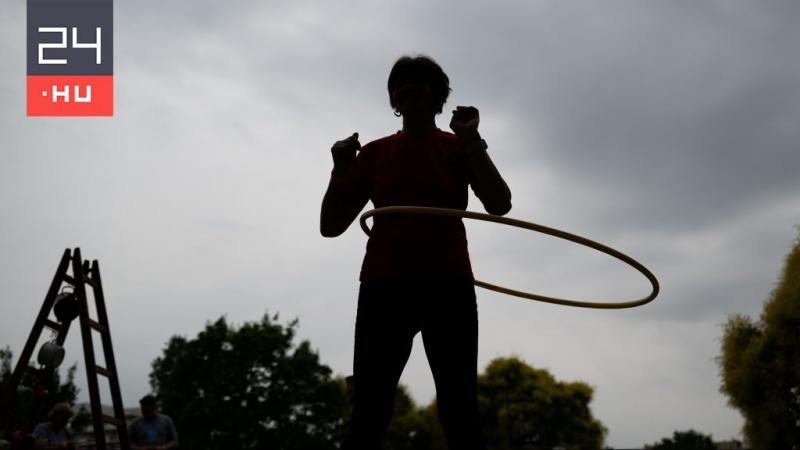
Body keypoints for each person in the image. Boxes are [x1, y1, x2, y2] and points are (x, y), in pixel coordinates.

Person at [320, 54, 512, 450]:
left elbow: (499, 203)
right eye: (400, 82)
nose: (407, 87)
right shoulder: (375, 153)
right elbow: (331, 225)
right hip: (384, 289)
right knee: (369, 410)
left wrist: (472, 139)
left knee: (460, 410)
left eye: (418, 81)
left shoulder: (457, 148)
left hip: (449, 288)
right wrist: (340, 168)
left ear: (437, 95)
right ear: (393, 97)